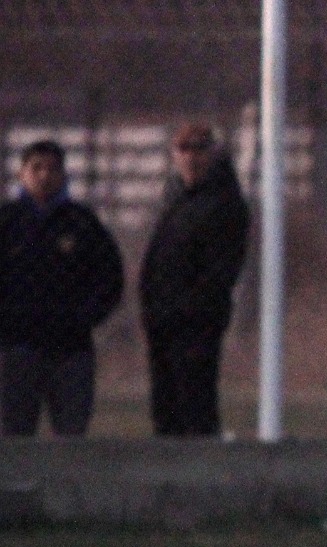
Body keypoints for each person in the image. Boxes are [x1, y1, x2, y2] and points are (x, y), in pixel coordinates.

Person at [0, 139, 125, 436]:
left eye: (53, 169)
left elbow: (110, 280)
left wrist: (81, 320)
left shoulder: (82, 223)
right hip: (16, 351)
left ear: (64, 176)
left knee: (71, 441)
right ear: (22, 174)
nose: (44, 175)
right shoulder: (6, 223)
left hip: (70, 354)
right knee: (15, 442)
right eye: (36, 168)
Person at [139, 122, 250, 437]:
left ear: (213, 153)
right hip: (162, 323)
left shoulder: (224, 203)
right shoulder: (175, 198)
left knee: (195, 408)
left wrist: (189, 308)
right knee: (166, 412)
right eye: (183, 148)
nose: (191, 156)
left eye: (199, 148)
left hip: (195, 324)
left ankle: (201, 477)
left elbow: (221, 270)